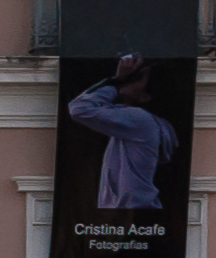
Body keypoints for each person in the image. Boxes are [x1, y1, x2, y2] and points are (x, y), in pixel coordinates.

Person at [66, 53, 177, 212]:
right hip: (137, 209)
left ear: (145, 97)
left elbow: (79, 108)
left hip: (130, 209)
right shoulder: (142, 121)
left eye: (137, 78)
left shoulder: (138, 119)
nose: (129, 79)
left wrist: (116, 81)